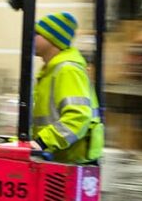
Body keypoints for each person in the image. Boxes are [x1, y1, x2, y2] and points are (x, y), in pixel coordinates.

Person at [29, 11, 104, 164]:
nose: (32, 37)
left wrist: (42, 143)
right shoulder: (50, 71)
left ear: (53, 39)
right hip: (59, 159)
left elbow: (77, 117)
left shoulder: (68, 70)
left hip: (73, 163)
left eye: (38, 33)